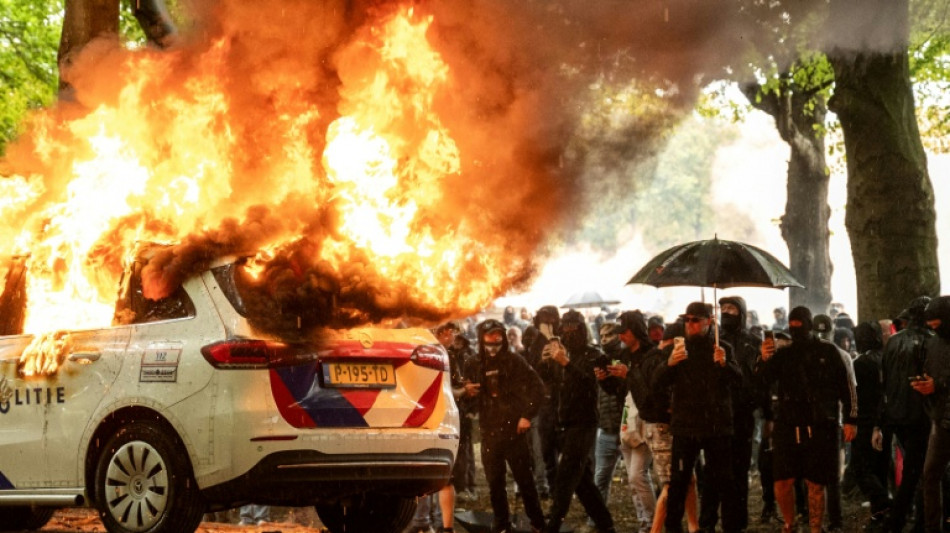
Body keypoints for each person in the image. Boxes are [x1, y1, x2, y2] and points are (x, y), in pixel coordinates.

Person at [758, 306, 858, 533]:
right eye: (791, 326)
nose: (795, 330)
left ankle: (815, 527)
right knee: (782, 481)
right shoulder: (783, 355)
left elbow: (847, 387)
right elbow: (761, 383)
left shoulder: (830, 353)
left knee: (816, 482)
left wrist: (851, 418)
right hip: (788, 424)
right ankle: (790, 524)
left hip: (820, 424)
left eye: (799, 325)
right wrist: (764, 358)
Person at [653, 302, 742, 533]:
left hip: (716, 426)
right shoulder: (678, 350)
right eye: (687, 320)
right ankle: (674, 528)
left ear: (709, 322)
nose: (690, 324)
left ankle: (722, 526)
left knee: (723, 482)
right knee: (679, 482)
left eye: (695, 320)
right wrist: (670, 363)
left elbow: (740, 383)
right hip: (686, 426)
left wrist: (725, 365)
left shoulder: (722, 348)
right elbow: (657, 383)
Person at [464, 319, 547, 533]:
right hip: (489, 431)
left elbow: (538, 388)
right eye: (489, 344)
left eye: (497, 343)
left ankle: (538, 523)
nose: (493, 348)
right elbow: (466, 395)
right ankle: (502, 524)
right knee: (495, 483)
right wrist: (468, 393)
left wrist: (527, 415)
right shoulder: (473, 363)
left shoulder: (515, 361)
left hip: (514, 431)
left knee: (525, 480)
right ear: (482, 341)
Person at [539, 310, 617, 533]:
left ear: (582, 330)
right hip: (563, 423)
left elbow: (589, 384)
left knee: (565, 478)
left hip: (584, 424)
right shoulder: (560, 355)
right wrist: (544, 363)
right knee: (582, 483)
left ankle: (552, 527)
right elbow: (549, 385)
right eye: (566, 329)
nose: (570, 334)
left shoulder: (594, 355)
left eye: (575, 329)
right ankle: (606, 524)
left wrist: (565, 364)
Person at [699, 296, 761, 533]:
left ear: (742, 313)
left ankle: (736, 523)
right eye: (723, 308)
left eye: (731, 309)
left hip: (742, 417)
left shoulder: (752, 342)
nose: (726, 312)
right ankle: (707, 523)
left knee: (738, 473)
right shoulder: (713, 340)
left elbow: (756, 381)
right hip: (715, 417)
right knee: (712, 473)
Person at [873, 296, 933, 533]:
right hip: (920, 415)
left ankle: (903, 519)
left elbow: (885, 381)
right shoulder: (930, 342)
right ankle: (901, 520)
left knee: (915, 469)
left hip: (897, 415)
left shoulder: (894, 342)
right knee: (919, 472)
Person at [594, 311, 656, 533]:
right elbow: (620, 391)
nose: (621, 337)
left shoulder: (650, 354)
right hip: (626, 420)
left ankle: (654, 521)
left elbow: (649, 390)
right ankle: (646, 522)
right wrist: (606, 381)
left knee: (637, 475)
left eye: (625, 332)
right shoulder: (624, 354)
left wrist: (628, 374)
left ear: (636, 330)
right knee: (633, 479)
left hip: (646, 421)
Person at [847, 321, 891, 529]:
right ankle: (879, 512)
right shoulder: (885, 358)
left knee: (861, 467)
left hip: (866, 421)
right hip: (883, 419)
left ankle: (882, 504)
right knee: (879, 466)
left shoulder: (861, 363)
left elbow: (857, 397)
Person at [920, 296, 950, 533]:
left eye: (937, 324)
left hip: (940, 418)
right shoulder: (934, 343)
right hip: (940, 420)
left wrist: (937, 385)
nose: (933, 328)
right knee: (930, 475)